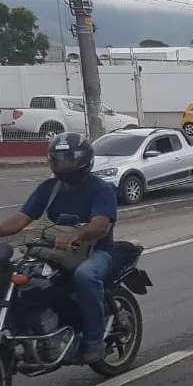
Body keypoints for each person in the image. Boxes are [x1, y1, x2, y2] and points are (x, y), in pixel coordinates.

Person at [0, 132, 118, 364]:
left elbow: (101, 224)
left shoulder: (101, 189)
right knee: (17, 276)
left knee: (85, 276)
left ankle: (94, 341)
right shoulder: (49, 188)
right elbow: (21, 219)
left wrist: (77, 233)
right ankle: (26, 329)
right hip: (53, 250)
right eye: (60, 159)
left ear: (84, 160)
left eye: (70, 159)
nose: (65, 164)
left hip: (96, 252)